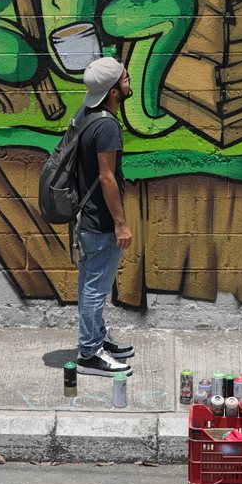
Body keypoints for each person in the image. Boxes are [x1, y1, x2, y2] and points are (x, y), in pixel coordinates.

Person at [73, 56, 135, 377]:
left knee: (89, 282)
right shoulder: (107, 126)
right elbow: (107, 178)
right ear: (112, 92)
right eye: (125, 80)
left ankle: (96, 338)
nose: (129, 83)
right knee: (96, 287)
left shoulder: (84, 115)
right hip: (100, 222)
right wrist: (121, 224)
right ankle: (88, 353)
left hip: (86, 218)